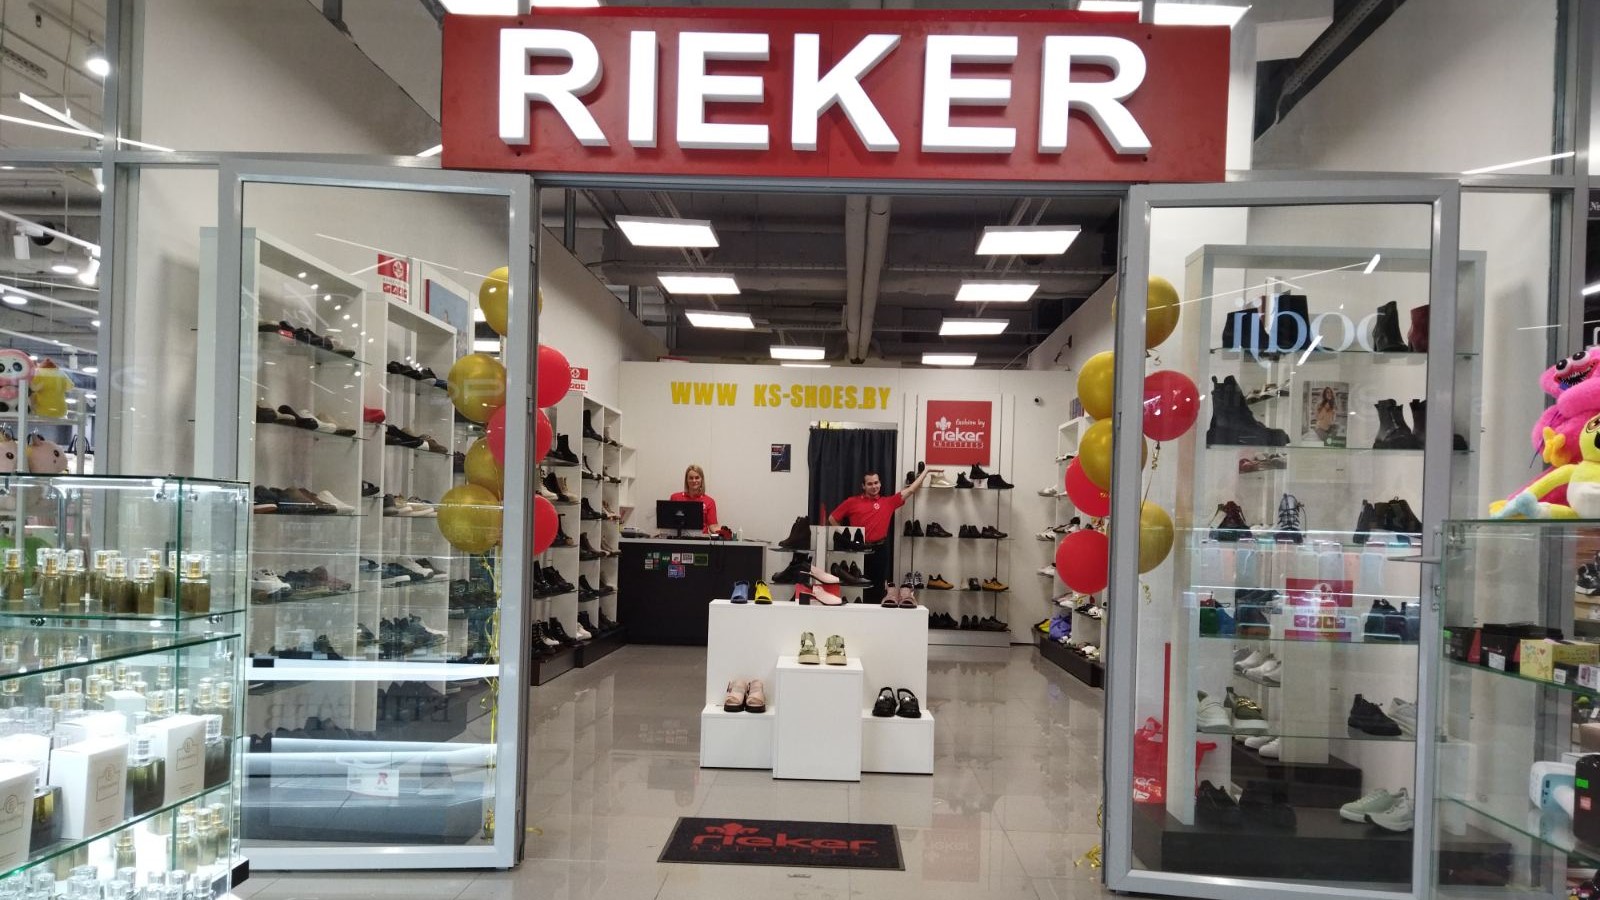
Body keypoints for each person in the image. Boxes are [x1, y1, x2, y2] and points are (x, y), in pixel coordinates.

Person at [829, 467, 937, 604]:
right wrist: (845, 539)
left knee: (877, 588)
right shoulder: (852, 502)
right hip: (858, 551)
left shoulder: (888, 502)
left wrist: (926, 472)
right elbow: (832, 518)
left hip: (880, 550)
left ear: (880, 483)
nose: (874, 486)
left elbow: (910, 490)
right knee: (855, 588)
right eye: (870, 484)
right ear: (863, 486)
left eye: (876, 483)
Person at [669, 464, 718, 532]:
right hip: (680, 537)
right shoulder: (675, 498)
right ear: (687, 480)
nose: (694, 481)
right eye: (691, 478)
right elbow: (669, 523)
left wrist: (724, 534)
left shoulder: (709, 501)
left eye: (697, 478)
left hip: (701, 538)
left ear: (701, 480)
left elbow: (713, 526)